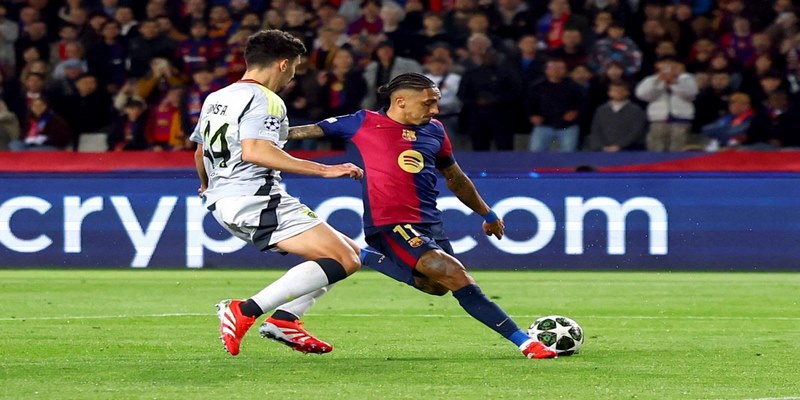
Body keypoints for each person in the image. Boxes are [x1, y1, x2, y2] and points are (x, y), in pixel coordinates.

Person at [285, 73, 557, 360]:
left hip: (429, 223)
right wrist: (258, 134)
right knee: (455, 274)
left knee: (436, 286)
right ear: (401, 101)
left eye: (436, 102)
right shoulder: (362, 122)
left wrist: (487, 213)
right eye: (428, 103)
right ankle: (526, 343)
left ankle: (364, 256)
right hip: (390, 223)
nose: (435, 110)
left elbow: (455, 178)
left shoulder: (435, 130)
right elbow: (300, 132)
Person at [189, 29, 367, 357]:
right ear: (283, 64)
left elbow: (200, 152)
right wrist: (325, 169)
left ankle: (286, 319)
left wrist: (206, 184)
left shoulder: (218, 97)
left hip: (224, 200)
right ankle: (244, 310)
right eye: (295, 67)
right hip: (255, 197)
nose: (293, 75)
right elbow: (257, 151)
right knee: (344, 259)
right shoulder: (266, 99)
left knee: (349, 251)